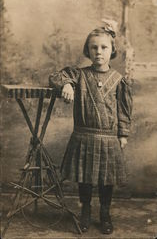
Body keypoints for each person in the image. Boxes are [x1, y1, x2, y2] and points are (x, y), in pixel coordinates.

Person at [49, 22, 133, 234]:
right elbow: (56, 77)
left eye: (104, 47)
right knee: (85, 177)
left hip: (108, 138)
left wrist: (122, 134)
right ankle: (85, 210)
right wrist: (66, 84)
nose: (98, 52)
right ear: (87, 50)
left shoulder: (118, 80)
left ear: (112, 50)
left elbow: (123, 111)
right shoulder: (78, 75)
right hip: (84, 136)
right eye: (94, 47)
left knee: (106, 179)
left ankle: (105, 213)